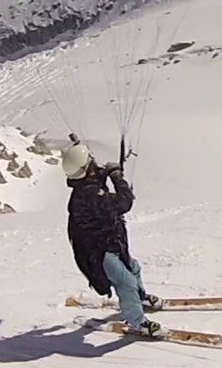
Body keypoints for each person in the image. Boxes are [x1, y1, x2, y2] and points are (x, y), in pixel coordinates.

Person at [63, 136, 167, 337]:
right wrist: (117, 177)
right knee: (125, 281)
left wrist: (85, 152)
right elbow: (123, 202)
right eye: (91, 162)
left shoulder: (85, 184)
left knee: (133, 267)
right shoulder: (89, 195)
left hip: (112, 243)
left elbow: (97, 175)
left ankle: (140, 297)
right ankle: (137, 322)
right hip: (99, 251)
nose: (94, 163)